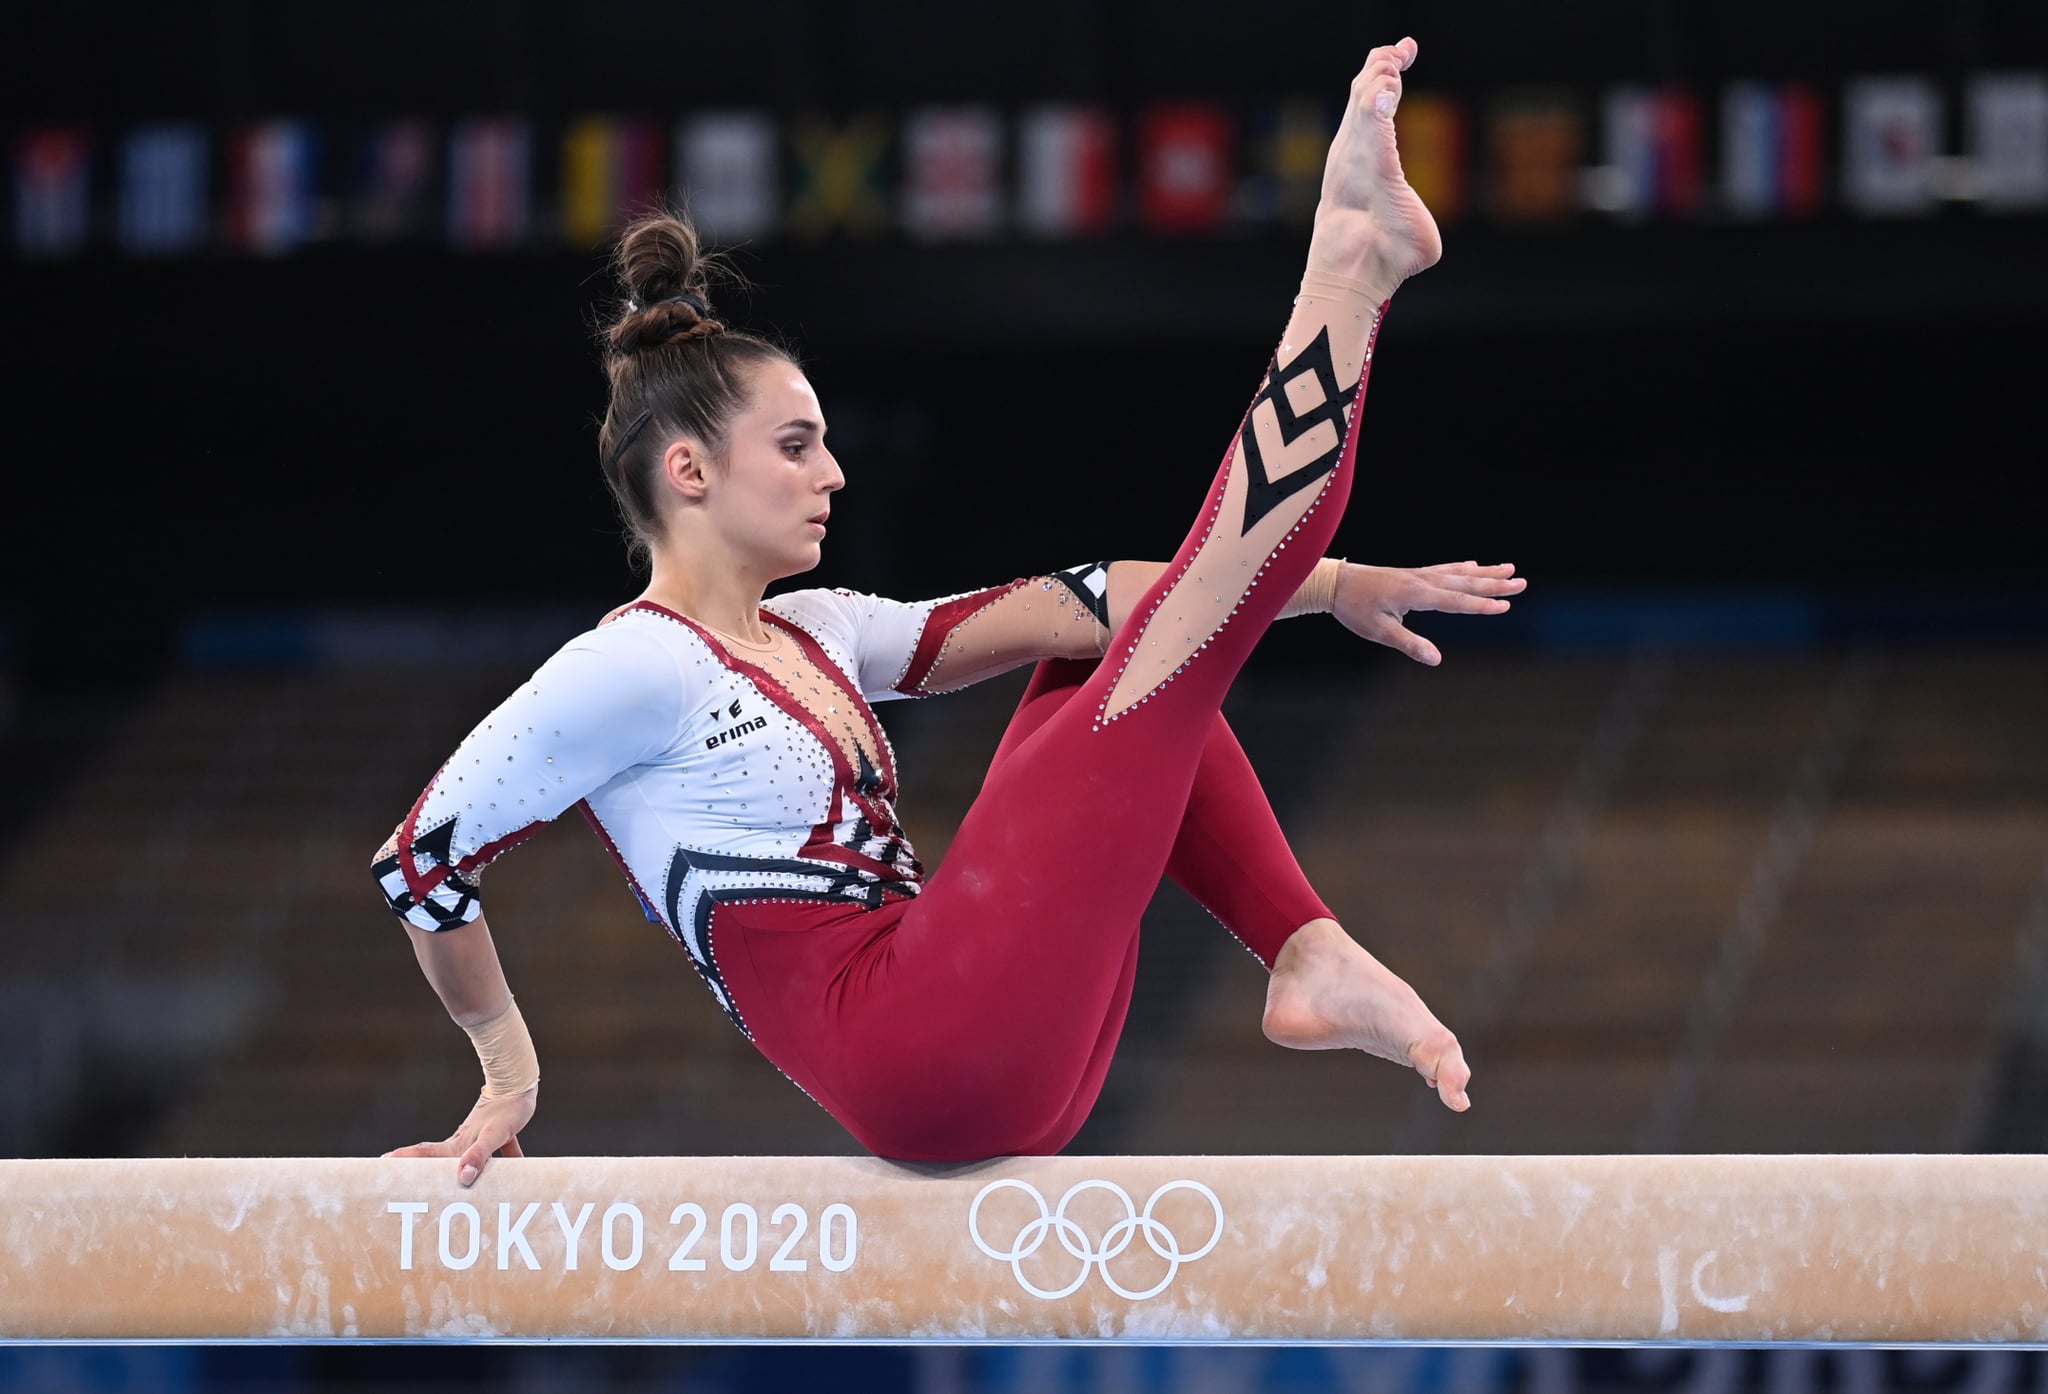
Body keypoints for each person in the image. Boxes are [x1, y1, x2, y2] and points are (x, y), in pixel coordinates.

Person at [376, 37, 1524, 1184]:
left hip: (1005, 1036)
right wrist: (507, 1072)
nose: (831, 473)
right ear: (686, 472)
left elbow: (1090, 598)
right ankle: (1346, 270)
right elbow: (423, 860)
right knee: (1180, 635)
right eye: (795, 445)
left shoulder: (816, 629)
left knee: (1102, 651)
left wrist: (1325, 588)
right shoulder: (629, 667)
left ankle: (1301, 944)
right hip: (917, 1045)